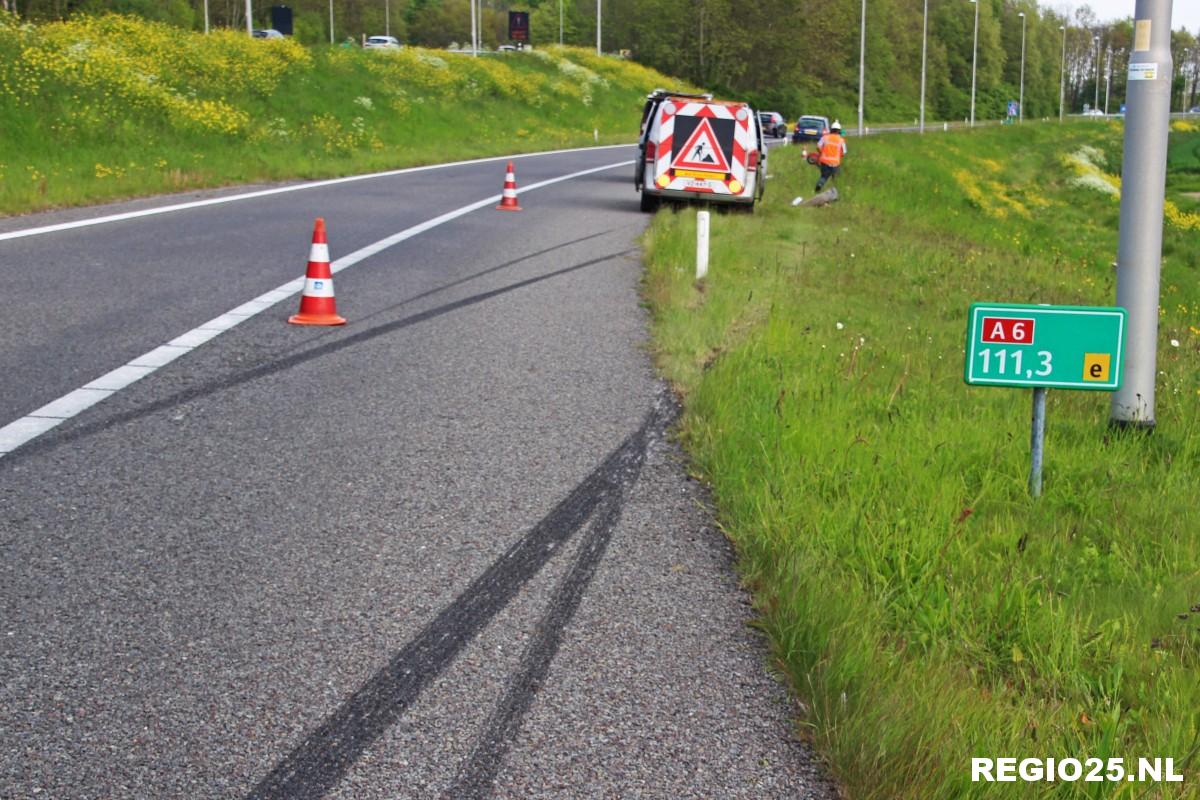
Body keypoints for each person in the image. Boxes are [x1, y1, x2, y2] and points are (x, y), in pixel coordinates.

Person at [814, 120, 846, 193]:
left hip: (824, 162)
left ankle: (819, 186)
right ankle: (834, 192)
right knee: (835, 178)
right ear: (839, 131)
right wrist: (838, 156)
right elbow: (844, 152)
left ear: (831, 129)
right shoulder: (841, 140)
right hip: (836, 163)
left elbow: (818, 146)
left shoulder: (825, 137)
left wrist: (821, 153)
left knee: (824, 177)